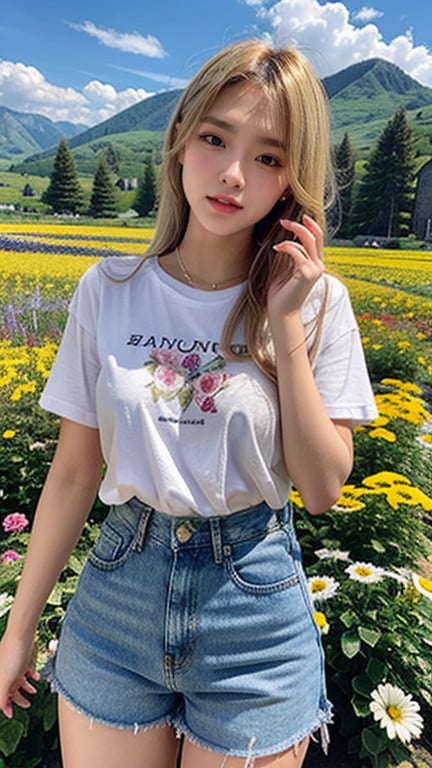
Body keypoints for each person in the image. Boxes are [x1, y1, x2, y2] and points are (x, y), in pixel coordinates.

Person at [0, 39, 377, 768]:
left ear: (290, 182)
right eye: (215, 138)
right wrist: (18, 628)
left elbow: (325, 487)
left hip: (254, 611)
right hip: (118, 596)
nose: (234, 173)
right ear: (178, 141)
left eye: (269, 157)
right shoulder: (107, 290)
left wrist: (287, 323)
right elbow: (76, 473)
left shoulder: (320, 302)